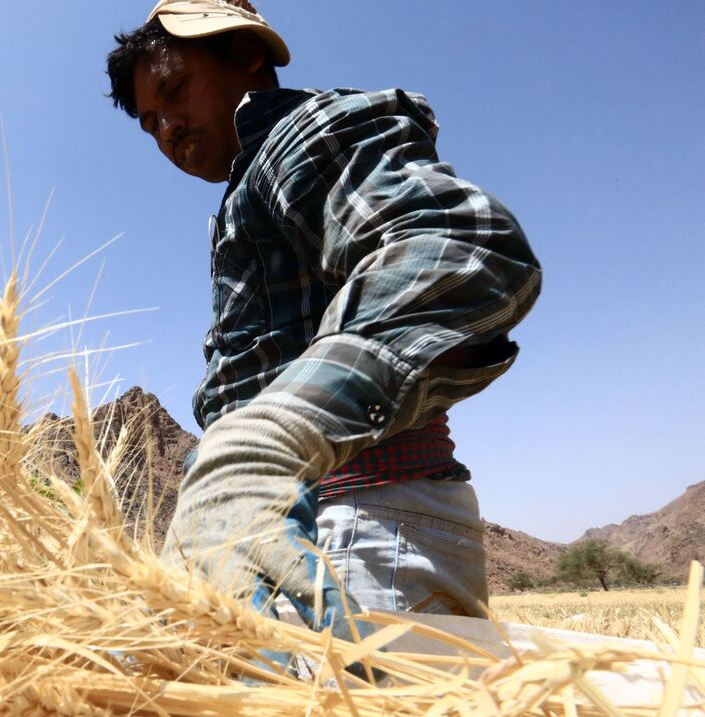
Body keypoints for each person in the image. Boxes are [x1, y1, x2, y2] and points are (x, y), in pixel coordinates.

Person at [105, 0, 541, 647]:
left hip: (360, 521)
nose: (166, 127)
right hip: (298, 525)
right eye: (149, 123)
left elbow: (457, 249)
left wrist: (264, 443)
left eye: (174, 91)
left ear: (247, 54)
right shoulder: (246, 194)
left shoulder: (299, 134)